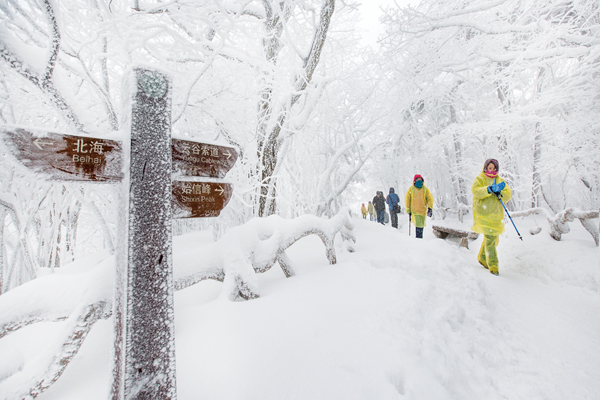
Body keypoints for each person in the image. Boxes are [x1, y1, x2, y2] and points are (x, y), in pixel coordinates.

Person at [472, 158, 512, 276]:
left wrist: (500, 193)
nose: (492, 170)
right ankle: (493, 265)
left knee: (494, 239)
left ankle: (482, 257)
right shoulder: (481, 178)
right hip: (484, 214)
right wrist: (488, 189)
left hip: (496, 215)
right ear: (485, 168)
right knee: (490, 238)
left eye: (494, 168)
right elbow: (475, 190)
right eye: (490, 168)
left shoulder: (500, 180)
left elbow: (507, 195)